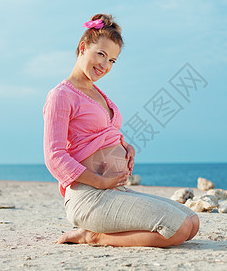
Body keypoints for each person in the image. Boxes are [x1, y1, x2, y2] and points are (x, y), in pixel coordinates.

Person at [43, 13, 199, 247]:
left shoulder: (98, 94)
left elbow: (99, 135)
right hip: (89, 196)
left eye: (112, 61)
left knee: (192, 222)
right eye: (101, 54)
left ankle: (98, 231)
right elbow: (54, 156)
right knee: (178, 229)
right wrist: (98, 181)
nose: (105, 65)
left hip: (114, 192)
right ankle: (92, 236)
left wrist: (125, 146)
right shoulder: (61, 95)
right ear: (83, 48)